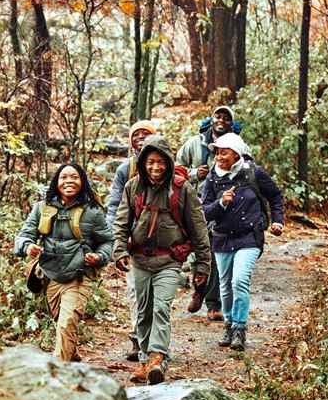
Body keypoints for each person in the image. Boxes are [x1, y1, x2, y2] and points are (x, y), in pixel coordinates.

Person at [112, 135, 211, 384]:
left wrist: (203, 264)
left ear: (168, 162)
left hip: (169, 260)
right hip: (139, 260)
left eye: (160, 162)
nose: (155, 167)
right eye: (150, 162)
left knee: (161, 307)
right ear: (143, 163)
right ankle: (145, 360)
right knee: (142, 311)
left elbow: (198, 228)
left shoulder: (182, 188)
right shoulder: (133, 187)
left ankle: (157, 357)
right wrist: (120, 250)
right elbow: (121, 222)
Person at [15, 163, 114, 361]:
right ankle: (71, 355)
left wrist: (99, 257)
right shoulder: (42, 208)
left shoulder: (93, 211)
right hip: (51, 274)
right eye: (64, 177)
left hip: (79, 275)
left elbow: (107, 241)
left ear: (82, 181)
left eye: (74, 177)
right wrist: (27, 246)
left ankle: (58, 370)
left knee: (67, 321)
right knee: (61, 320)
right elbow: (24, 234)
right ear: (56, 182)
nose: (69, 181)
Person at [200, 133, 284, 351]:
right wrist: (221, 203)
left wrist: (278, 221)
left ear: (236, 154)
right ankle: (229, 325)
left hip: (249, 237)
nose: (219, 157)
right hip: (221, 238)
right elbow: (203, 211)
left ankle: (240, 328)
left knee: (239, 281)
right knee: (225, 285)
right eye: (217, 153)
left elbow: (275, 196)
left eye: (224, 153)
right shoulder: (212, 177)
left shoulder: (253, 173)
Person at [176, 106, 249, 321]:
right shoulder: (194, 144)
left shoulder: (239, 145)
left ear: (231, 123)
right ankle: (199, 290)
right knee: (198, 251)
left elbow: (249, 171)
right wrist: (193, 174)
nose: (221, 120)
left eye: (226, 118)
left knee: (218, 252)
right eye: (218, 116)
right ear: (212, 118)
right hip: (195, 205)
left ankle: (213, 304)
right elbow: (176, 168)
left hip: (225, 208)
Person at [106, 120, 156, 362]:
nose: (141, 137)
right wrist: (116, 239)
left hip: (163, 243)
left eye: (146, 134)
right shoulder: (125, 170)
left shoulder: (166, 167)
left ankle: (156, 343)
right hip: (134, 241)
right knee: (136, 291)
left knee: (158, 295)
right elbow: (114, 206)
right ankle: (138, 339)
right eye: (136, 134)